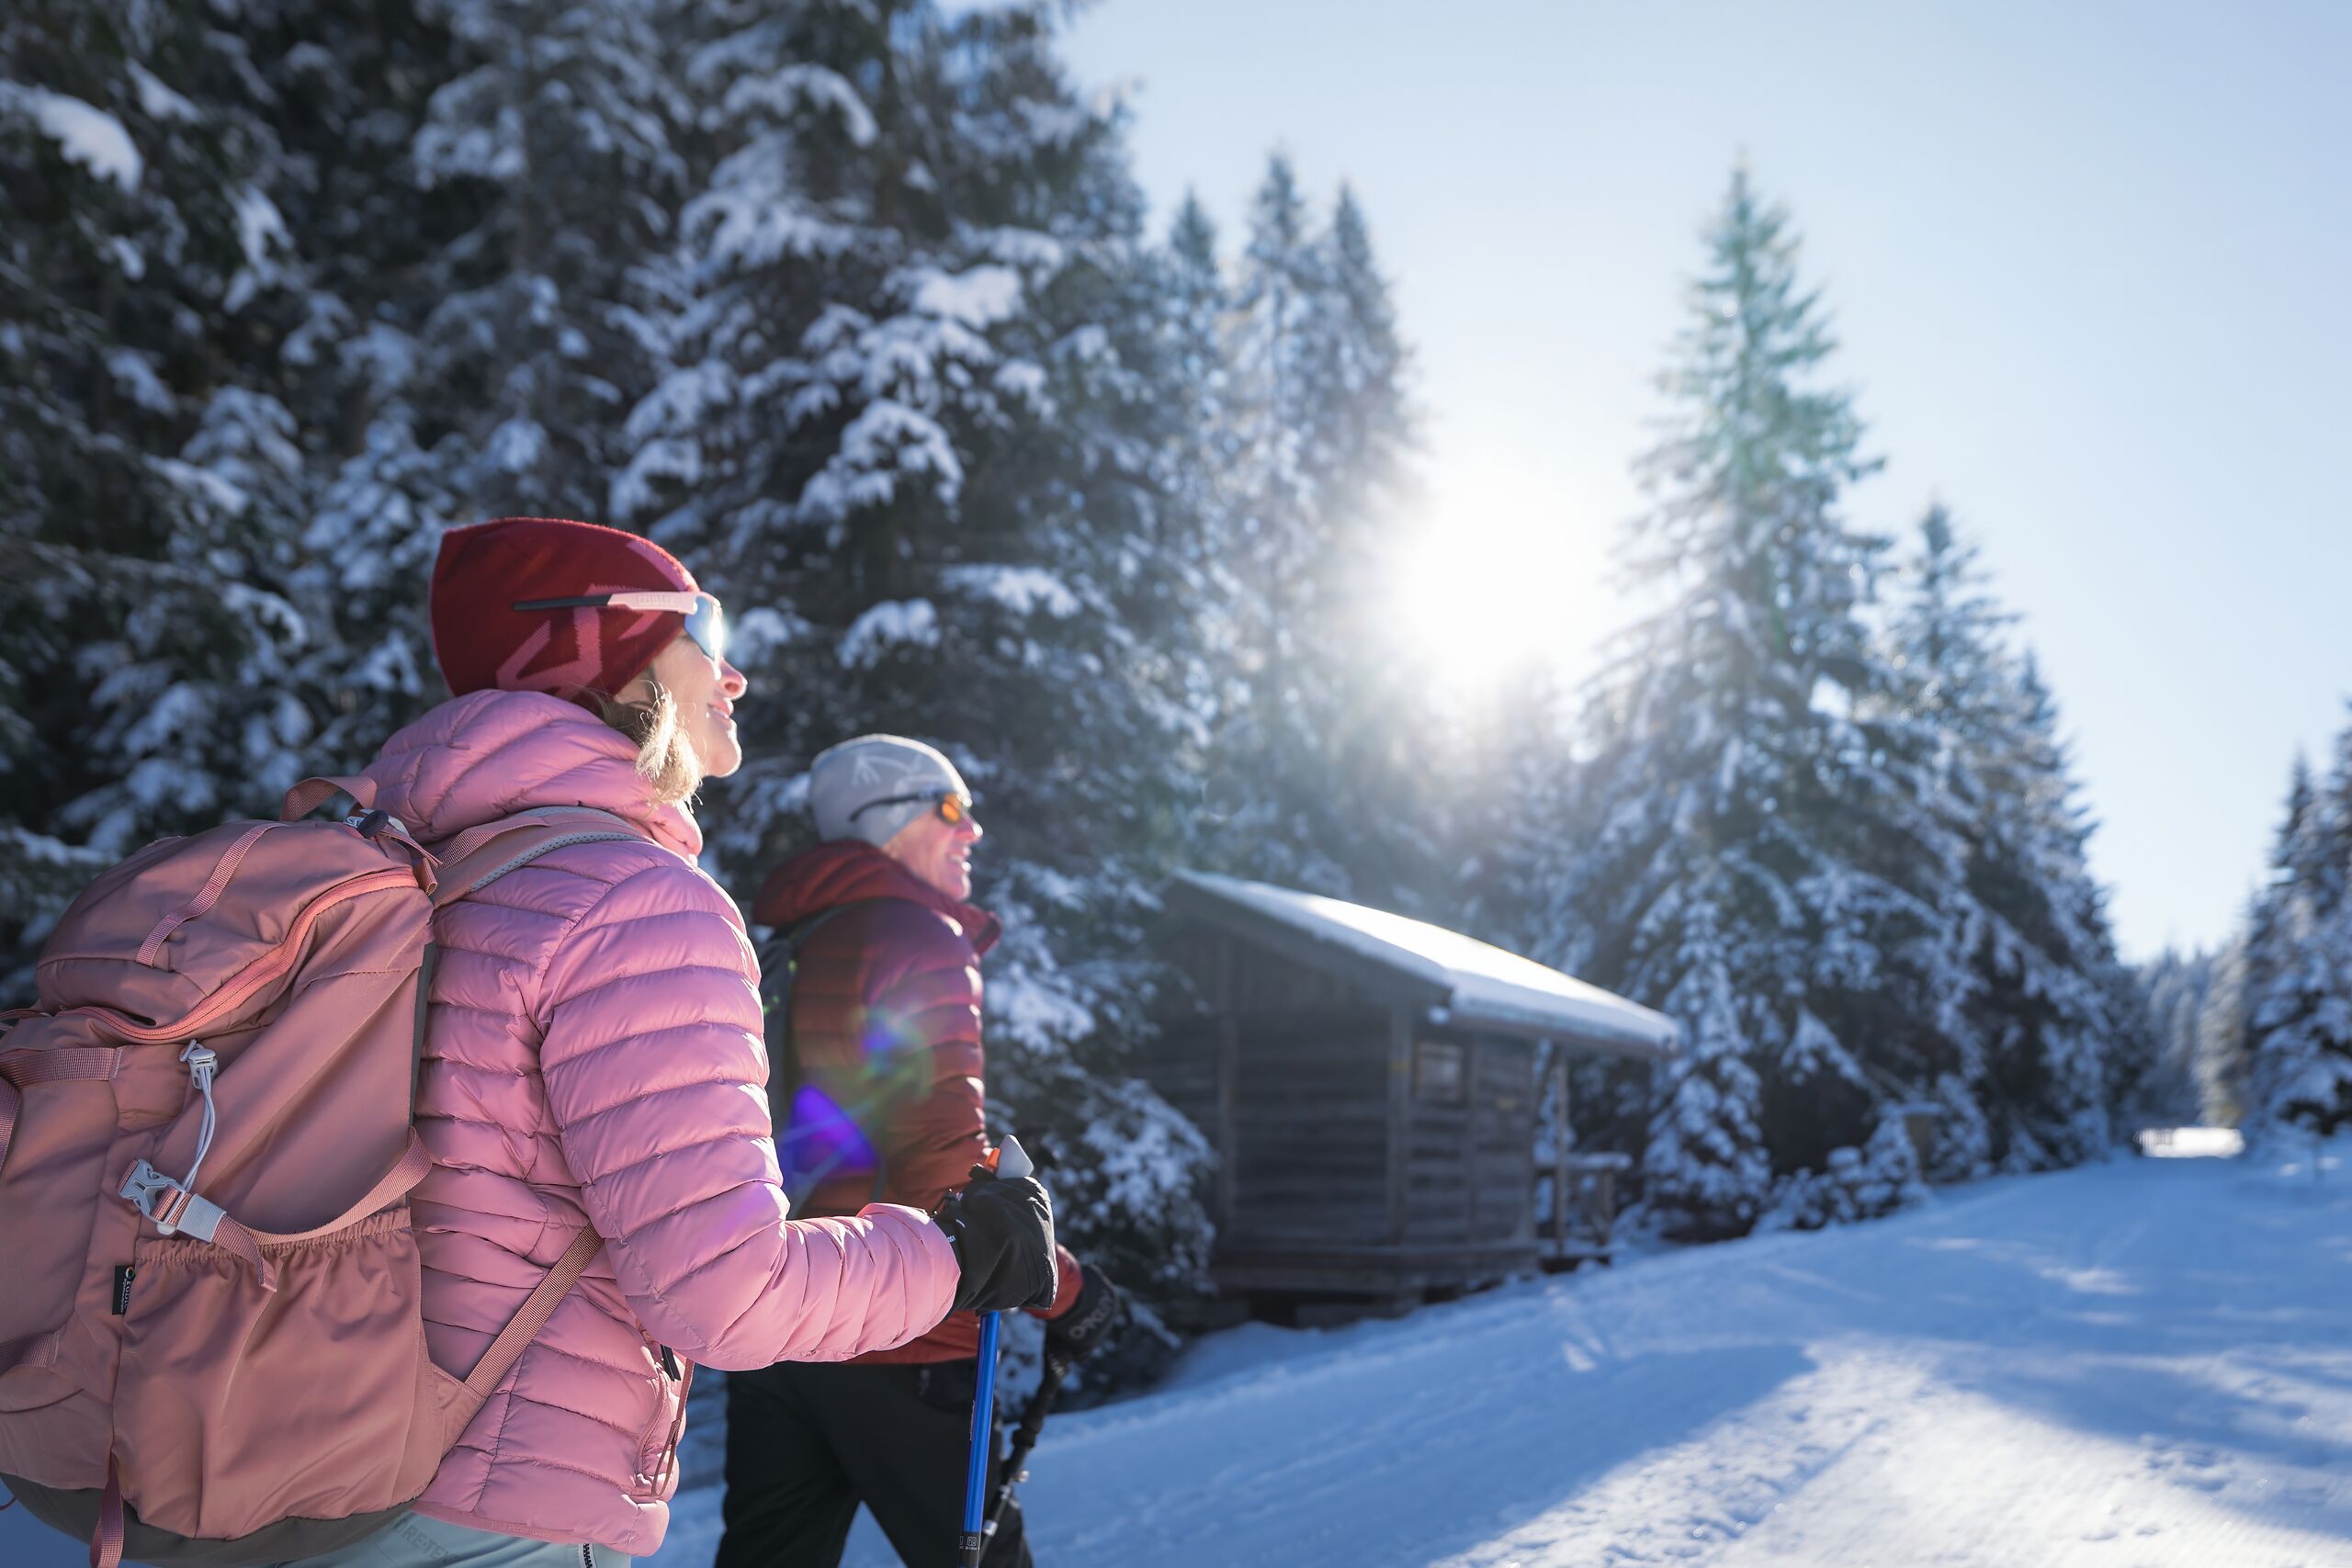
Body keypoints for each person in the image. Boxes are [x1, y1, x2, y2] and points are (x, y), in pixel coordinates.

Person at [283, 518, 1060, 1568]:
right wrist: (975, 1254)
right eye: (703, 627)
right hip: (497, 1510)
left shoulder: (402, 873)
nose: (732, 673)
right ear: (598, 652)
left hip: (322, 1471)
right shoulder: (636, 903)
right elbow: (724, 1292)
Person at [715, 737, 1124, 1568]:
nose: (972, 831)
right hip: (902, 1333)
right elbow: (945, 1164)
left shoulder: (786, 946)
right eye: (951, 808)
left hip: (783, 1322)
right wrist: (1068, 1289)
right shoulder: (918, 934)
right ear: (889, 822)